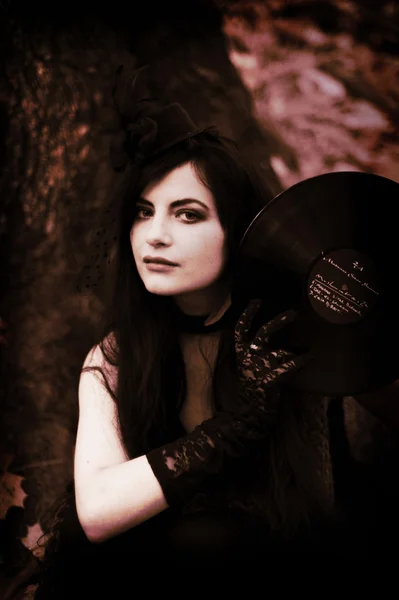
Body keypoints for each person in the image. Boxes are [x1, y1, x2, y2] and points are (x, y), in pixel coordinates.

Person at [33, 65, 399, 597]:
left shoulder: (292, 331)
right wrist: (229, 429)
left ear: (237, 230)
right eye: (142, 212)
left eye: (187, 215)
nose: (154, 236)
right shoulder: (115, 355)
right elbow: (96, 515)